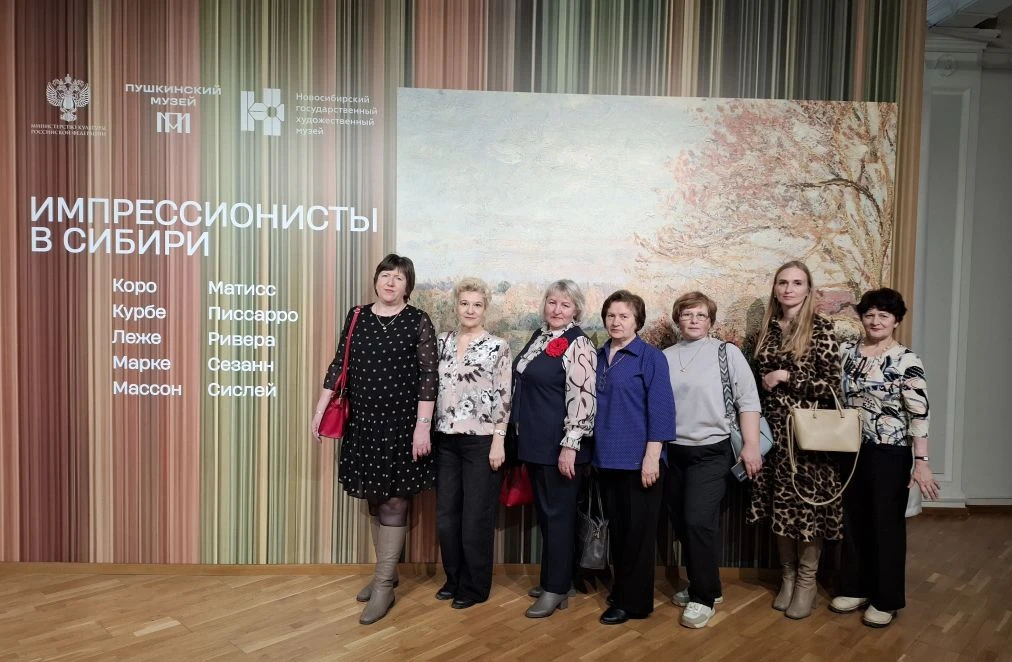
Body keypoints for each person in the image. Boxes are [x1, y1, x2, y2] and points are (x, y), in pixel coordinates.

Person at [310, 253, 438, 626]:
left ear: (408, 286)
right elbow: (339, 364)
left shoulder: (418, 321)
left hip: (401, 427)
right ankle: (387, 574)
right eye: (385, 275)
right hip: (363, 425)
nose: (390, 282)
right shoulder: (357, 316)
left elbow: (429, 375)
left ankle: (383, 586)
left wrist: (422, 426)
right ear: (376, 280)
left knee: (394, 501)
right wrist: (319, 410)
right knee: (373, 497)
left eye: (399, 277)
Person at [832, 288, 938, 628]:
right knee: (853, 519)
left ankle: (885, 599)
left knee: (886, 524)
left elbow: (919, 413)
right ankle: (855, 588)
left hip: (890, 451)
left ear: (896, 320)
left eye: (884, 315)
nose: (875, 321)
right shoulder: (846, 353)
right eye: (870, 315)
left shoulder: (907, 360)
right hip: (850, 448)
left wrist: (922, 461)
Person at [747, 260, 844, 620]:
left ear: (808, 289)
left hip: (809, 439)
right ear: (775, 288)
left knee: (807, 511)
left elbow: (833, 387)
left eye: (797, 283)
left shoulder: (821, 328)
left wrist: (787, 376)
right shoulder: (767, 330)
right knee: (780, 508)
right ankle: (787, 577)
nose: (789, 289)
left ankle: (807, 582)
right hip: (774, 436)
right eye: (783, 282)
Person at [664, 291, 763, 628]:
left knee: (697, 521)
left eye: (701, 315)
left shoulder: (726, 353)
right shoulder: (664, 357)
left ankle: (703, 598)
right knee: (682, 522)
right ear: (678, 319)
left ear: (711, 321)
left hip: (711, 451)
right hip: (673, 453)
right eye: (687, 314)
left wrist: (751, 445)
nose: (694, 320)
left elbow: (748, 400)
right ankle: (706, 585)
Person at [510, 279, 597, 618]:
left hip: (559, 447)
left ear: (576, 310)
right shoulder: (540, 336)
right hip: (535, 444)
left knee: (558, 517)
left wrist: (570, 446)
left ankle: (555, 588)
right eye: (552, 302)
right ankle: (558, 579)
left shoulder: (579, 343)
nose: (557, 309)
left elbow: (583, 398)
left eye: (565, 304)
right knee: (549, 517)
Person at [592, 290, 675, 625]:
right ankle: (622, 589)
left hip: (640, 461)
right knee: (620, 531)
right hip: (606, 459)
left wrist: (652, 456)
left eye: (624, 316)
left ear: (637, 320)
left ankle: (635, 603)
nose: (616, 322)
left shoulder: (650, 357)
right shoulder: (599, 356)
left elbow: (662, 410)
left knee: (638, 535)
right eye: (611, 316)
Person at [433, 278, 512, 610]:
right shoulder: (442, 342)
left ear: (485, 309)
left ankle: (475, 586)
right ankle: (453, 579)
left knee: (475, 518)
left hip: (481, 441)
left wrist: (499, 441)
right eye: (464, 303)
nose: (469, 310)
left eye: (476, 304)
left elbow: (504, 397)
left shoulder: (498, 346)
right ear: (456, 305)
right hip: (445, 440)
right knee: (446, 517)